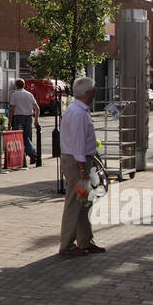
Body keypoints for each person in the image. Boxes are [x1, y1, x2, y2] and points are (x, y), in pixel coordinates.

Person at [58, 77, 103, 256]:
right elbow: (77, 144)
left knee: (84, 203)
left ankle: (85, 240)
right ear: (88, 93)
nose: (95, 92)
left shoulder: (77, 109)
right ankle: (67, 244)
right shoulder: (77, 113)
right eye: (93, 89)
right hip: (78, 164)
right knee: (74, 203)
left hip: (79, 162)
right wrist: (83, 169)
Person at [8, 79, 41, 167]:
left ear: (16, 85)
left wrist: (9, 122)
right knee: (26, 137)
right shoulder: (29, 94)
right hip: (29, 117)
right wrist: (36, 120)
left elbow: (11, 109)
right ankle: (28, 156)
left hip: (18, 118)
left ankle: (31, 154)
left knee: (19, 138)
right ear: (24, 85)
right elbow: (37, 108)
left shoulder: (14, 95)